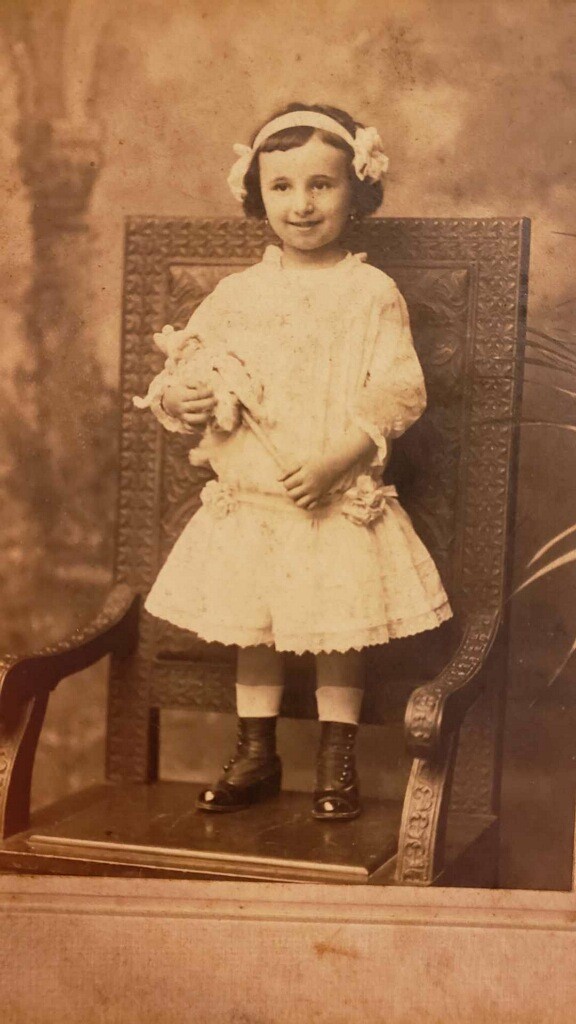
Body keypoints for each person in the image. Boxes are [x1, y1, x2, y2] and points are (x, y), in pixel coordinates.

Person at [135, 102, 452, 821]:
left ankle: (335, 757)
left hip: (332, 498)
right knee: (258, 627)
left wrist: (337, 460)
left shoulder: (370, 292)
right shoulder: (237, 295)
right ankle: (256, 751)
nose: (301, 204)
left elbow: (400, 388)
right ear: (258, 193)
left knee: (338, 629)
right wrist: (182, 401)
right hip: (257, 504)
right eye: (282, 187)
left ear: (357, 190)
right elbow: (195, 370)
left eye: (322, 185)